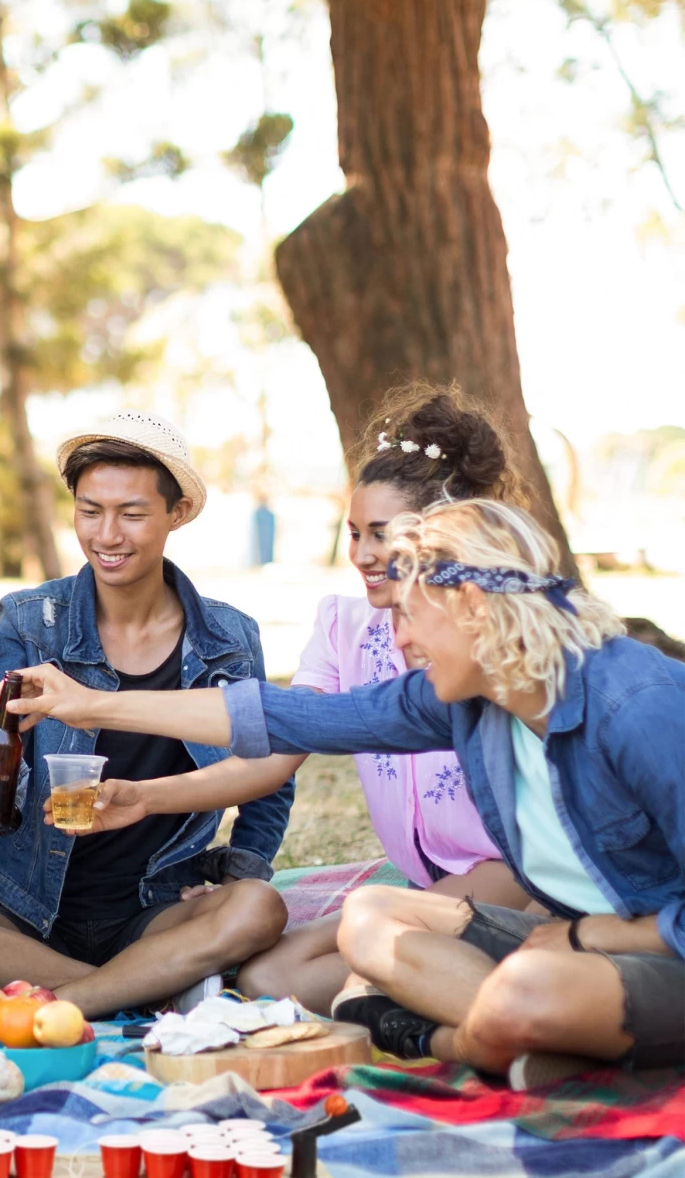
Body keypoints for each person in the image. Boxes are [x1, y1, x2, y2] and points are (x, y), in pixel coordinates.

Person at [13, 499, 685, 1085]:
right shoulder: (475, 698)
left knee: (527, 992)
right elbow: (285, 717)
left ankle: (445, 1037)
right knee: (371, 919)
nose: (402, 640)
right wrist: (94, 706)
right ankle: (542, 1036)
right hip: (569, 948)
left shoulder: (638, 708)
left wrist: (586, 935)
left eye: (412, 616)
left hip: (644, 953)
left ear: (475, 608)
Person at [0, 412, 290, 1020]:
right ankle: (142, 992)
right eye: (89, 510)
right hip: (27, 915)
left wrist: (240, 869)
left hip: (159, 911)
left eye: (132, 512)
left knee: (259, 906)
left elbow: (267, 776)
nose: (107, 534)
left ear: (176, 514)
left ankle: (28, 1006)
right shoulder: (30, 619)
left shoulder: (227, 638)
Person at [148, 386, 531, 1014]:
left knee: (367, 946)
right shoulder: (341, 626)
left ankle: (516, 994)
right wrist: (142, 799)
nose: (360, 555)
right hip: (420, 884)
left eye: (380, 534)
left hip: (509, 872)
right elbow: (273, 749)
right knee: (270, 980)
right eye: (353, 533)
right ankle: (476, 988)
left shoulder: (493, 633)